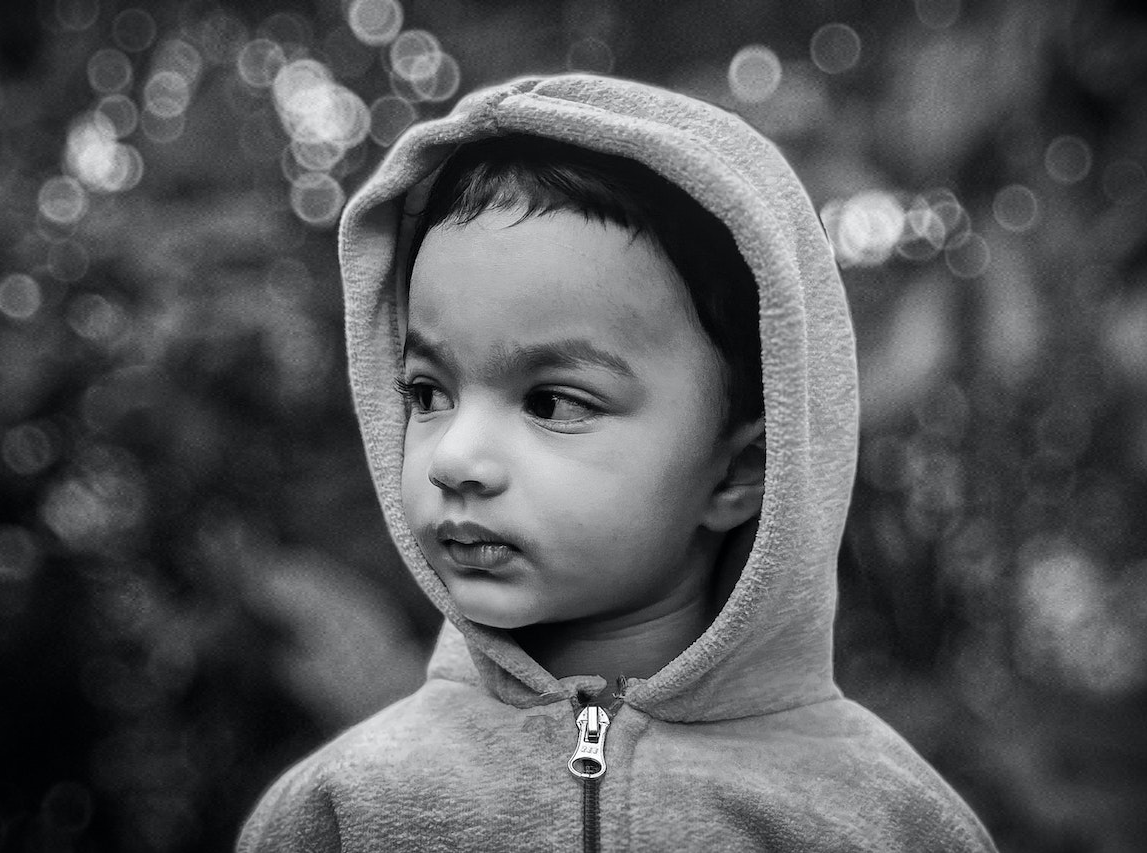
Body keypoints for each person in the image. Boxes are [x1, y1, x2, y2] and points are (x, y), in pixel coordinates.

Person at [238, 74, 996, 852]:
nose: (455, 456)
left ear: (739, 472)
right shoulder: (343, 810)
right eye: (427, 391)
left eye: (552, 403)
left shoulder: (881, 820)